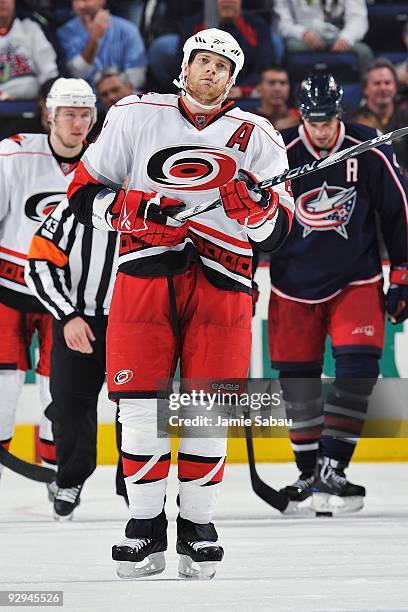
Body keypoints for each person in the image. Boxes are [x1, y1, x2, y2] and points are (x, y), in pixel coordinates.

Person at [67, 28, 294, 579]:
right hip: (144, 272)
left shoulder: (257, 134)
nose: (211, 71)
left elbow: (280, 229)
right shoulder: (133, 116)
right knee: (141, 407)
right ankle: (143, 525)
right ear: (184, 65)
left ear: (234, 79)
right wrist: (136, 209)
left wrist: (253, 212)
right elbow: (81, 192)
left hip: (227, 280)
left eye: (223, 65)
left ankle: (198, 525)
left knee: (208, 408)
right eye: (204, 61)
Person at [267, 73, 408, 515]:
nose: (322, 129)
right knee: (298, 382)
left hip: (356, 278)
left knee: (358, 370)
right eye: (313, 120)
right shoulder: (278, 151)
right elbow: (250, 211)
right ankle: (308, 472)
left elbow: (399, 209)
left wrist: (402, 272)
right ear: (300, 115)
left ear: (340, 114)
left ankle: (334, 466)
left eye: (328, 120)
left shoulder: (368, 147)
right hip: (291, 282)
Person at [0, 77, 96, 496]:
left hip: (65, 301)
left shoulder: (103, 164)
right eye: (69, 114)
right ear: (50, 115)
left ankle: (62, 478)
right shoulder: (13, 154)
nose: (77, 123)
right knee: (1, 390)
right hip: (7, 291)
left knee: (58, 396)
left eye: (84, 114)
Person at [25, 197, 124, 520]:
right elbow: (38, 262)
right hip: (79, 320)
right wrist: (67, 316)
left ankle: (137, 487)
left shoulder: (158, 199)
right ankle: (69, 479)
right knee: (69, 405)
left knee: (140, 409)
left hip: (136, 323)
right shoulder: (74, 205)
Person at [149, 0, 276, 97]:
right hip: (203, 86)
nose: (227, 2)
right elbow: (182, 65)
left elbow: (264, 67)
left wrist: (242, 89)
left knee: (277, 45)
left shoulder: (257, 26)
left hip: (241, 88)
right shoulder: (193, 25)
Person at [58, 0, 147, 90]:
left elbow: (137, 75)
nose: (81, 5)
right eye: (76, 0)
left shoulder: (128, 30)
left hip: (123, 95)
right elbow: (77, 75)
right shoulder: (65, 33)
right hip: (84, 97)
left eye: (86, 0)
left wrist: (114, 91)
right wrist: (93, 38)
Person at [274, 0, 373, 77]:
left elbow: (358, 18)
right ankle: (288, 97)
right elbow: (281, 23)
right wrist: (303, 33)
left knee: (364, 52)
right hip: (302, 39)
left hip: (338, 36)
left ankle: (365, 97)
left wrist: (346, 38)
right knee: (289, 47)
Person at [352, 58, 408, 174]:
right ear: (366, 89)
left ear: (395, 87)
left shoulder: (406, 121)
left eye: (387, 83)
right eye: (377, 83)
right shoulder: (354, 125)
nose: (383, 88)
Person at [0, 0, 58, 100]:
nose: (3, 1)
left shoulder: (31, 28)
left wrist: (46, 100)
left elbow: (50, 74)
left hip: (35, 104)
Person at [255, 66, 300, 130]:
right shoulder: (249, 119)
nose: (277, 89)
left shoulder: (301, 118)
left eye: (283, 83)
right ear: (258, 89)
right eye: (272, 83)